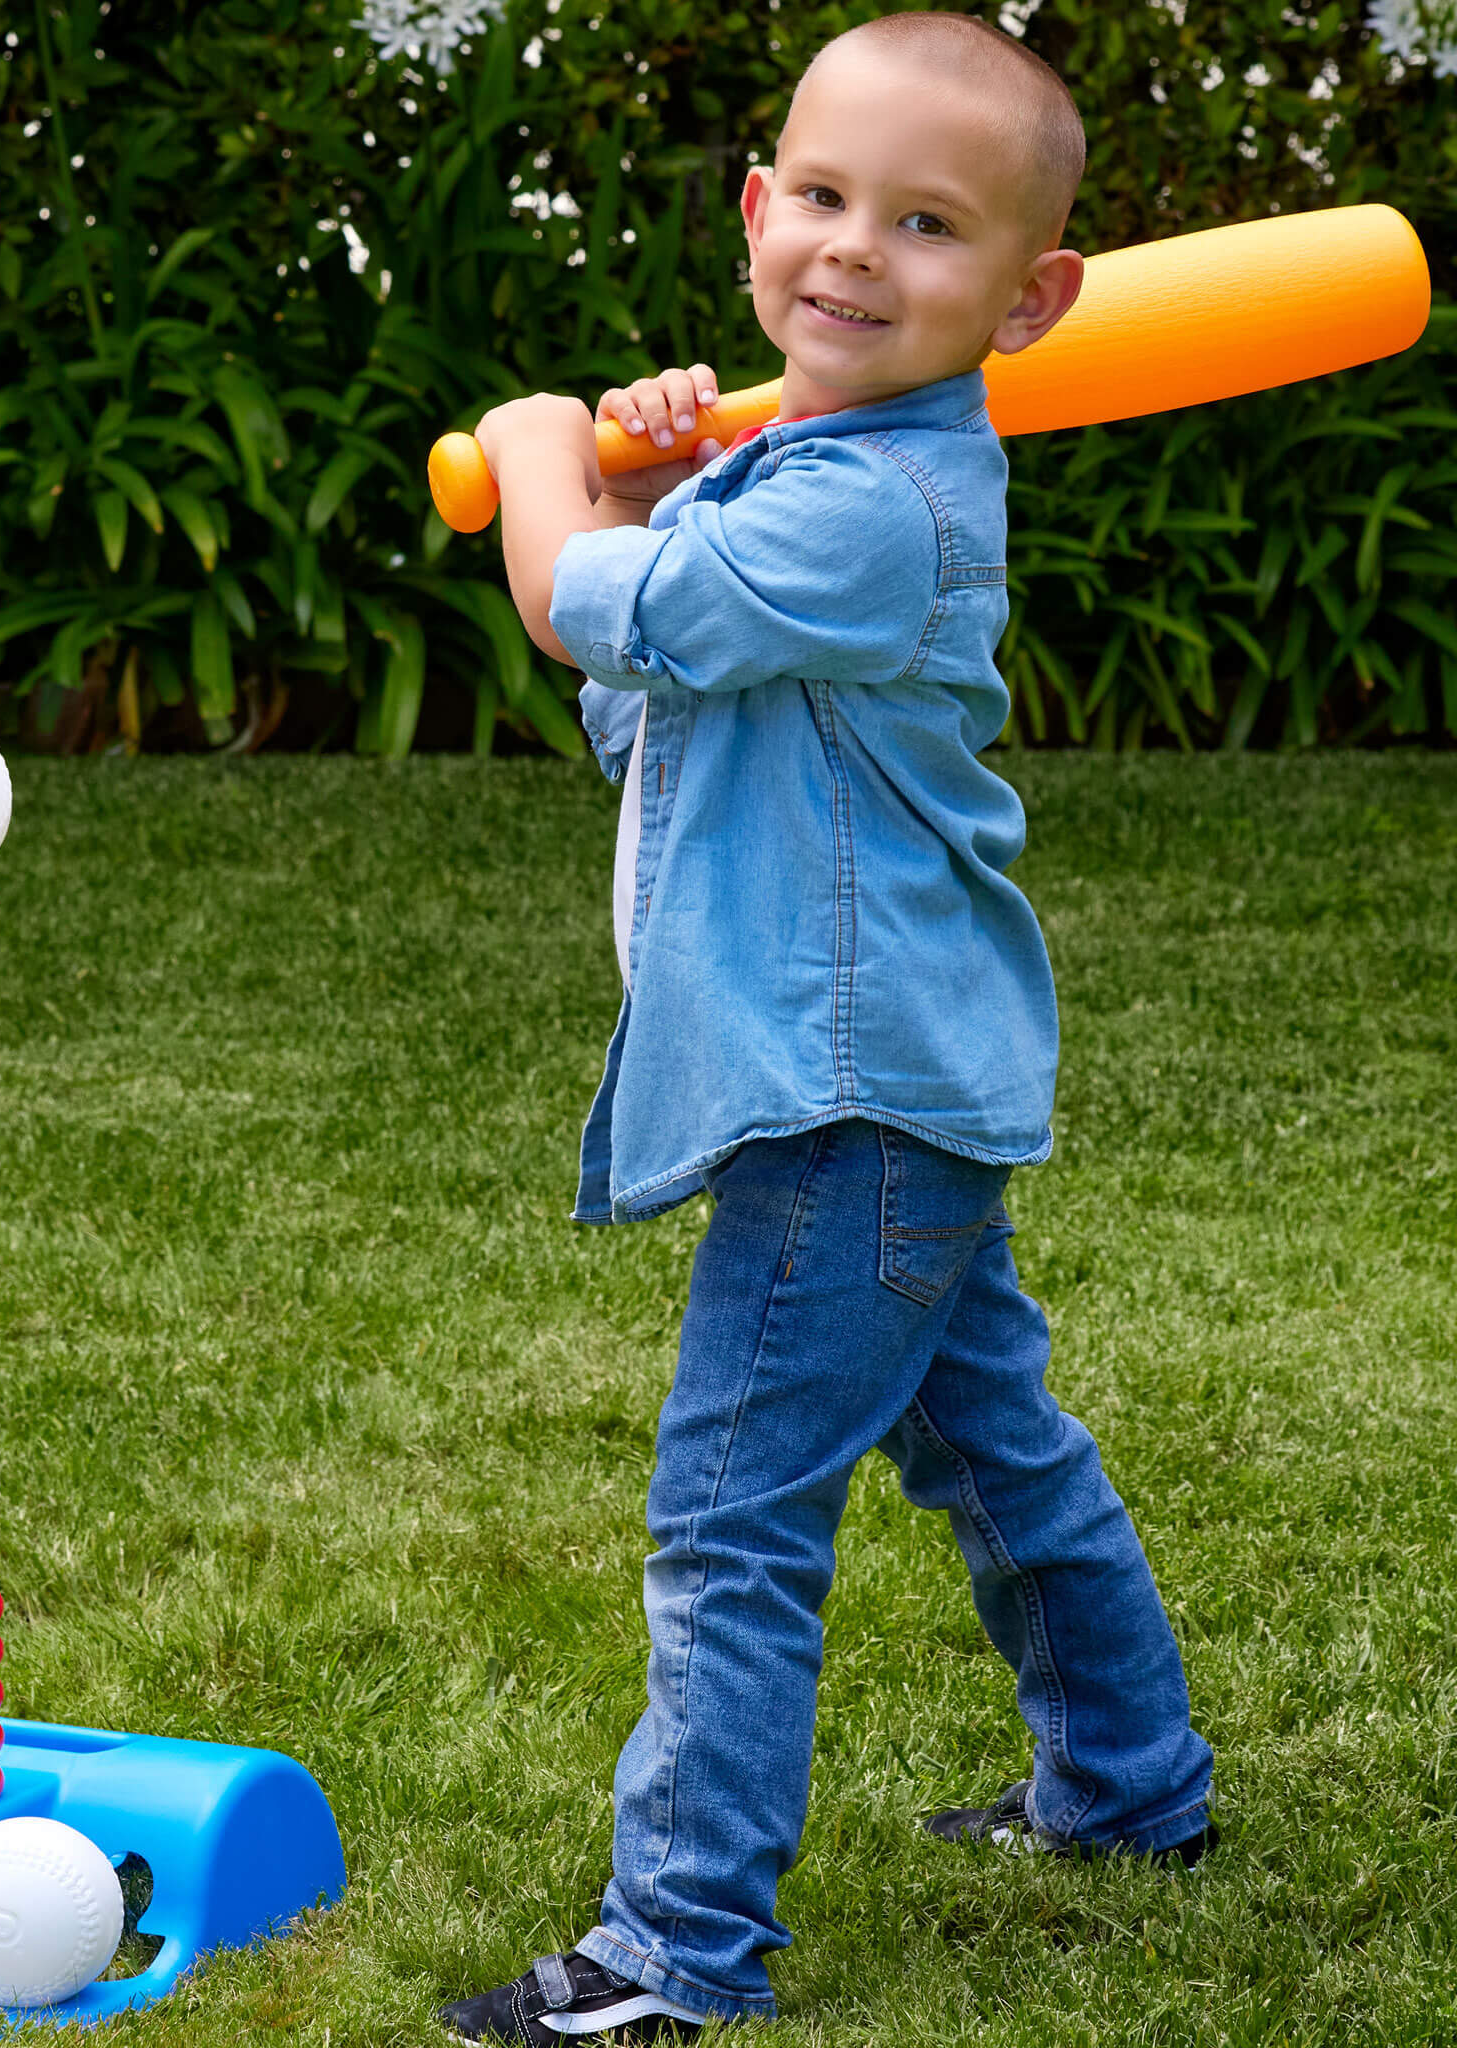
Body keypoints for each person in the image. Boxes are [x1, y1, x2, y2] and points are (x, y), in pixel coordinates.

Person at [438, 13, 1218, 2043]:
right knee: (993, 1448)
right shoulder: (807, 461)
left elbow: (597, 621)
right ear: (753, 211)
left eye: (929, 225)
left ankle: (673, 1952)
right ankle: (1130, 1795)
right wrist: (642, 464)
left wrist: (544, 467)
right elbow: (656, 700)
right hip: (896, 1078)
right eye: (822, 196)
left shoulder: (880, 509)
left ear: (1032, 297)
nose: (854, 252)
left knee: (730, 1514)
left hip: (850, 1099)